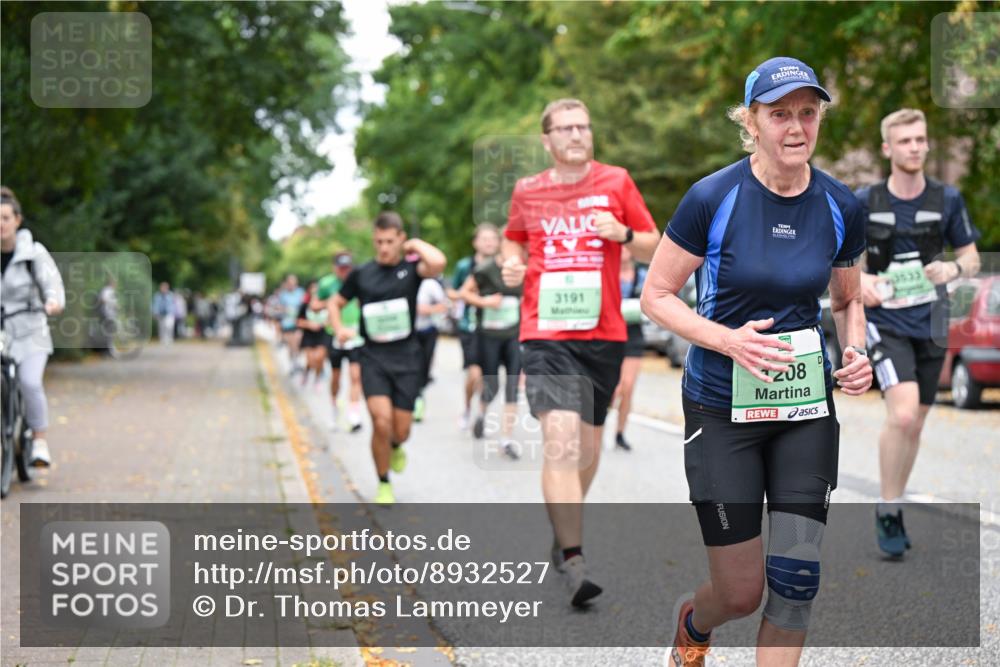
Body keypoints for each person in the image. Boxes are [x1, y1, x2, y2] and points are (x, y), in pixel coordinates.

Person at [641, 58, 872, 667]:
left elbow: (848, 301)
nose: (795, 127)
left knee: (795, 585)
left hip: (803, 409)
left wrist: (856, 351)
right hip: (721, 409)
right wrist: (728, 340)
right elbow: (656, 296)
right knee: (741, 593)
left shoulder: (840, 205)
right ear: (751, 122)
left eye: (807, 112)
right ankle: (693, 625)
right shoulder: (712, 197)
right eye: (779, 114)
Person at [501, 98, 660, 607]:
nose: (576, 135)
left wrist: (625, 234)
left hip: (604, 335)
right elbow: (512, 244)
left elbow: (656, 244)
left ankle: (561, 527)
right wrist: (510, 265)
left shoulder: (617, 181)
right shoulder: (527, 191)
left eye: (583, 127)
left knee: (588, 453)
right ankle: (574, 557)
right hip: (546, 333)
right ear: (547, 140)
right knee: (562, 440)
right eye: (566, 128)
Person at [855, 108, 981, 557]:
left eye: (920, 139)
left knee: (919, 420)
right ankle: (887, 508)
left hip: (931, 321)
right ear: (888, 148)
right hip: (885, 323)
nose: (914, 147)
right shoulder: (864, 201)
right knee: (903, 414)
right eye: (904, 140)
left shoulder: (946, 199)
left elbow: (971, 258)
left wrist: (951, 265)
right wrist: (862, 281)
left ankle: (896, 499)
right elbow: (845, 261)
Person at [329, 212, 447, 506]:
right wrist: (339, 327)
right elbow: (336, 302)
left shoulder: (412, 270)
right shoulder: (362, 274)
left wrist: (416, 244)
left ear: (400, 240)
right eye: (379, 241)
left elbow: (438, 263)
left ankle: (396, 446)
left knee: (401, 430)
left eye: (390, 241)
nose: (383, 247)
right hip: (373, 357)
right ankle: (383, 483)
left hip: (407, 358)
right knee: (380, 422)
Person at [0, 186, 65, 467]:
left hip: (31, 330)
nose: (0, 224)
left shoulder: (33, 253)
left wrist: (52, 303)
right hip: (2, 332)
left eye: (5, 218)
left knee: (29, 381)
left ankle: (39, 440)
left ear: (17, 220)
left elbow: (53, 284)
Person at [458, 237, 523, 460]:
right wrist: (485, 303)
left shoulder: (524, 268)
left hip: (514, 335)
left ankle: (506, 439)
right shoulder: (485, 269)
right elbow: (463, 293)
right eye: (514, 246)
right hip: (489, 336)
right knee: (492, 384)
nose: (518, 251)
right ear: (503, 245)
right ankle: (482, 414)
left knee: (513, 385)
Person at [448, 223, 500, 430]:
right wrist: (473, 296)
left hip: (494, 329)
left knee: (489, 376)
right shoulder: (464, 266)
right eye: (484, 238)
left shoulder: (502, 265)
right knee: (475, 374)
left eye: (492, 238)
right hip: (469, 327)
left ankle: (481, 414)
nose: (489, 242)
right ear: (475, 242)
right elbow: (452, 292)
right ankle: (468, 408)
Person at [318, 252, 364, 433]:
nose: (345, 271)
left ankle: (354, 415)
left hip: (354, 335)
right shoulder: (327, 284)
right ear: (334, 267)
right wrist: (330, 305)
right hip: (335, 335)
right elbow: (314, 304)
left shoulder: (358, 281)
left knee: (355, 376)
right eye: (341, 268)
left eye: (348, 268)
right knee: (336, 377)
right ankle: (334, 409)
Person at [611, 246, 647, 451]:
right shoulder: (608, 273)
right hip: (611, 335)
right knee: (613, 388)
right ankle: (598, 424)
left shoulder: (643, 275)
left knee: (628, 387)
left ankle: (620, 433)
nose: (623, 250)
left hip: (634, 335)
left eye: (626, 246)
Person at [413, 276, 449, 422]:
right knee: (411, 367)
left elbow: (444, 305)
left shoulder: (430, 284)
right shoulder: (404, 278)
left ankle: (419, 396)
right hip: (409, 334)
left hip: (427, 331)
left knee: (424, 367)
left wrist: (426, 309)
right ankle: (413, 401)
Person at [296, 280, 330, 388]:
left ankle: (317, 378)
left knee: (319, 358)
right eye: (313, 288)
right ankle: (306, 372)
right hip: (309, 335)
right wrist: (309, 324)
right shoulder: (304, 306)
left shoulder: (326, 304)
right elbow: (298, 321)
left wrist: (325, 323)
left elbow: (333, 318)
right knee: (311, 361)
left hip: (322, 335)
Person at [277, 274, 305, 373]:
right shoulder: (283, 294)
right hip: (287, 322)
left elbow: (304, 305)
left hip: (298, 322)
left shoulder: (300, 292)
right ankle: (292, 363)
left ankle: (297, 359)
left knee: (297, 341)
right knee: (290, 344)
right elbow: (279, 307)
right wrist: (286, 310)